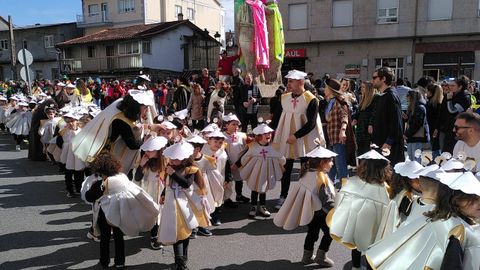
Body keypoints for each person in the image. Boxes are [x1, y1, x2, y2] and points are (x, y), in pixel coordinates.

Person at [365, 171, 480, 270]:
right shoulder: (455, 229)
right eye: (471, 198)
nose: (478, 202)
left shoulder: (439, 218)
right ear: (455, 200)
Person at [85, 151, 159, 269]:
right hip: (119, 211)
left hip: (104, 213)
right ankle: (120, 262)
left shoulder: (100, 184)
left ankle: (104, 261)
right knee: (119, 237)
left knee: (105, 238)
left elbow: (89, 197)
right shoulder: (123, 178)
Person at [270, 69, 325, 209]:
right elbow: (276, 117)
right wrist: (268, 131)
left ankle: (306, 198)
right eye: (288, 81)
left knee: (305, 170)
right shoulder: (284, 97)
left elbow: (311, 123)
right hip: (287, 139)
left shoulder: (311, 99)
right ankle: (283, 196)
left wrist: (296, 136)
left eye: (291, 81)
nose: (288, 83)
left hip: (304, 139)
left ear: (301, 82)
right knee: (286, 168)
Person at [274, 144, 336, 267]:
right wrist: (337, 209)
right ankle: (321, 256)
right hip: (321, 213)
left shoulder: (306, 172)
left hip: (310, 211)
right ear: (322, 163)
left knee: (312, 233)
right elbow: (326, 200)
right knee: (330, 233)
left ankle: (306, 257)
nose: (332, 164)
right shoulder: (320, 177)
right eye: (330, 161)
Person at [328, 149, 392, 270]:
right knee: (372, 245)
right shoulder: (384, 188)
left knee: (356, 243)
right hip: (375, 222)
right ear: (383, 169)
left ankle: (356, 266)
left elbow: (343, 196)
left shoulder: (355, 182)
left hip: (358, 219)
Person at [72, 90, 155, 174]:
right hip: (114, 155)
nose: (147, 110)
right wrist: (146, 140)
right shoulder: (121, 121)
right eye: (145, 107)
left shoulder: (126, 115)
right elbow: (132, 144)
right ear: (136, 107)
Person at [159, 141, 210, 270]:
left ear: (184, 159)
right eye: (172, 158)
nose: (174, 160)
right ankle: (179, 261)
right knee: (177, 233)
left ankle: (183, 259)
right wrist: (163, 194)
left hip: (185, 203)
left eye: (177, 159)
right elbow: (167, 183)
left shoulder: (190, 170)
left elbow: (186, 184)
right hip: (171, 203)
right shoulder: (169, 168)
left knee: (185, 231)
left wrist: (173, 173)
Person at [237, 123, 285, 218]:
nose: (269, 135)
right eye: (266, 133)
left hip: (267, 171)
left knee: (264, 189)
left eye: (270, 133)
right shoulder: (252, 146)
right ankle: (253, 206)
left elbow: (281, 158)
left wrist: (281, 161)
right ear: (259, 136)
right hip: (255, 171)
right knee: (254, 188)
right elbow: (245, 157)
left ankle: (262, 206)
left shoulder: (273, 147)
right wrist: (242, 165)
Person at [134, 136, 169, 250]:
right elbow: (137, 177)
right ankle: (154, 236)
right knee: (153, 212)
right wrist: (142, 164)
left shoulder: (165, 161)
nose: (148, 152)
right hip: (149, 190)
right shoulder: (145, 161)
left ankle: (159, 233)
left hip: (162, 190)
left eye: (151, 150)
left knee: (161, 212)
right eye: (147, 150)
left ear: (158, 151)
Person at [370, 67, 405, 165]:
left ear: (383, 79)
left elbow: (396, 123)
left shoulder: (391, 96)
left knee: (390, 176)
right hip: (380, 144)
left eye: (375, 77)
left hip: (389, 147)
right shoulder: (382, 96)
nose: (372, 80)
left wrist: (389, 142)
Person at [324, 78, 349, 186]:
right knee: (331, 166)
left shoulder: (339, 102)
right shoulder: (331, 102)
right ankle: (329, 188)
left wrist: (342, 131)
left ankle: (346, 190)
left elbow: (344, 116)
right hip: (331, 139)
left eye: (326, 87)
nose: (324, 89)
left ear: (330, 90)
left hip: (338, 139)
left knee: (341, 167)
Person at [436, 76, 472, 153]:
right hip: (446, 128)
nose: (450, 87)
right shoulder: (451, 95)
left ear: (460, 87)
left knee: (453, 153)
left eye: (453, 85)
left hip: (457, 131)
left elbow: (452, 111)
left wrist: (449, 99)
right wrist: (438, 126)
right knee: (444, 152)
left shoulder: (464, 97)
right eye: (450, 85)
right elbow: (442, 112)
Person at [223, 113, 250, 203]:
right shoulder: (222, 136)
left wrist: (239, 163)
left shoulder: (242, 135)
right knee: (227, 181)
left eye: (237, 124)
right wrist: (229, 164)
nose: (236, 126)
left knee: (239, 179)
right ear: (227, 125)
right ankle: (227, 198)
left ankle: (239, 195)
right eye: (233, 124)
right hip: (227, 164)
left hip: (239, 163)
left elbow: (247, 149)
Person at [404, 89, 430, 163]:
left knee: (416, 159)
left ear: (412, 97)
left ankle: (416, 174)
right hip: (413, 137)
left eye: (407, 96)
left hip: (417, 138)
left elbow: (417, 124)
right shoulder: (414, 108)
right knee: (411, 157)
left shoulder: (419, 108)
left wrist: (407, 134)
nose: (406, 97)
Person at [352, 81, 377, 155]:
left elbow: (374, 113)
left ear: (368, 89)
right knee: (360, 151)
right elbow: (358, 112)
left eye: (363, 87)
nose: (361, 89)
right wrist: (355, 118)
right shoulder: (363, 99)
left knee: (366, 151)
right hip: (360, 128)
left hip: (367, 129)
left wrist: (371, 124)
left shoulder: (374, 99)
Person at [426, 83, 444, 158]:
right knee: (437, 146)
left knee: (434, 146)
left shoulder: (431, 103)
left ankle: (436, 160)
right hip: (437, 127)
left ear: (430, 92)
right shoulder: (440, 103)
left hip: (432, 127)